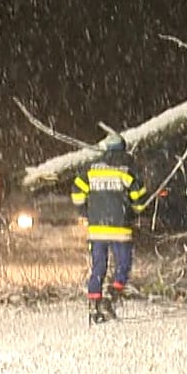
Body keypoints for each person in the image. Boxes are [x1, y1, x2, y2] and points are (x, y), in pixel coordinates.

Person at [70, 133, 150, 324]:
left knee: (98, 268)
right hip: (120, 228)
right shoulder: (127, 169)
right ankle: (112, 295)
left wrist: (86, 211)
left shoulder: (91, 169)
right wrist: (134, 213)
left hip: (97, 229)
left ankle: (94, 306)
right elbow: (139, 198)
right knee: (123, 265)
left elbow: (76, 192)